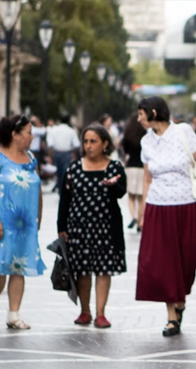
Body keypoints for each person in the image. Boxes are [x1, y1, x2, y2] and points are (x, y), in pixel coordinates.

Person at [135, 96, 196, 337]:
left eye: (141, 114)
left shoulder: (183, 131)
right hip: (158, 205)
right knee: (162, 261)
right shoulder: (146, 141)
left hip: (188, 203)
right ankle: (171, 314)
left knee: (187, 258)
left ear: (152, 112)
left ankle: (180, 298)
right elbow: (147, 177)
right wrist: (142, 212)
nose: (138, 119)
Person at [0, 114, 46, 330]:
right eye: (28, 133)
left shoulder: (30, 158)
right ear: (14, 135)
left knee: (18, 267)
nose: (32, 137)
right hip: (1, 223)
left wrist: (38, 219)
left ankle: (14, 313)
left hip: (24, 225)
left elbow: (38, 189)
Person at [58, 124, 127, 328]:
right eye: (86, 141)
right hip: (79, 228)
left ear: (105, 143)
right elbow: (65, 199)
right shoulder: (74, 168)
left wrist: (114, 184)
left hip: (106, 227)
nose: (88, 146)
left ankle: (101, 314)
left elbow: (121, 191)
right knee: (83, 271)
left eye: (93, 141)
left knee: (103, 270)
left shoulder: (114, 167)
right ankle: (85, 311)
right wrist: (62, 227)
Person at [122, 113, 147, 231]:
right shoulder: (145, 135)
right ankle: (140, 221)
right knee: (141, 197)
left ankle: (134, 217)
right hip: (142, 167)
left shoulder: (127, 135)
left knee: (131, 195)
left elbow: (125, 150)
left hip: (130, 166)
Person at [47, 115, 81, 193]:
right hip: (66, 153)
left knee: (58, 172)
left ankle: (59, 187)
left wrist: (50, 156)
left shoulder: (54, 130)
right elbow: (76, 144)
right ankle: (63, 189)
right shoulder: (71, 131)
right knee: (64, 172)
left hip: (56, 153)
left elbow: (50, 144)